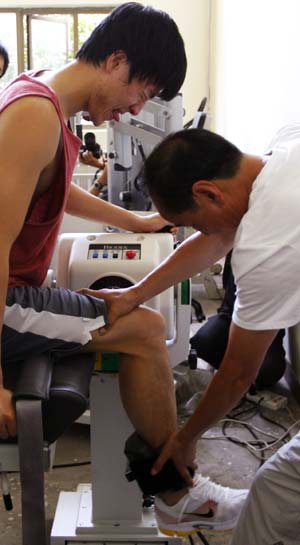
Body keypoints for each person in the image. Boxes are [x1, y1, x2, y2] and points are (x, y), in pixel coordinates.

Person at [0, 2, 247, 538]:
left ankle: (168, 489)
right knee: (146, 327)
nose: (131, 110)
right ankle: (176, 496)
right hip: (7, 302)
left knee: (138, 321)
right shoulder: (33, 115)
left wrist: (137, 223)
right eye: (141, 94)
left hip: (22, 288)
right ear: (116, 61)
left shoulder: (45, 100)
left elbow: (55, 187)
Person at [80, 123, 300, 542]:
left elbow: (237, 372)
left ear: (208, 193)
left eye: (192, 221)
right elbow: (216, 239)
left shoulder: (268, 244)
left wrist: (186, 438)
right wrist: (135, 294)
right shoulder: (282, 151)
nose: (201, 232)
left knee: (273, 499)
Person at [190, 251, 287, 391]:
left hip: (267, 328)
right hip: (231, 317)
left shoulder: (280, 263)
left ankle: (242, 373)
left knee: (269, 371)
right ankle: (232, 369)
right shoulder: (240, 252)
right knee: (202, 343)